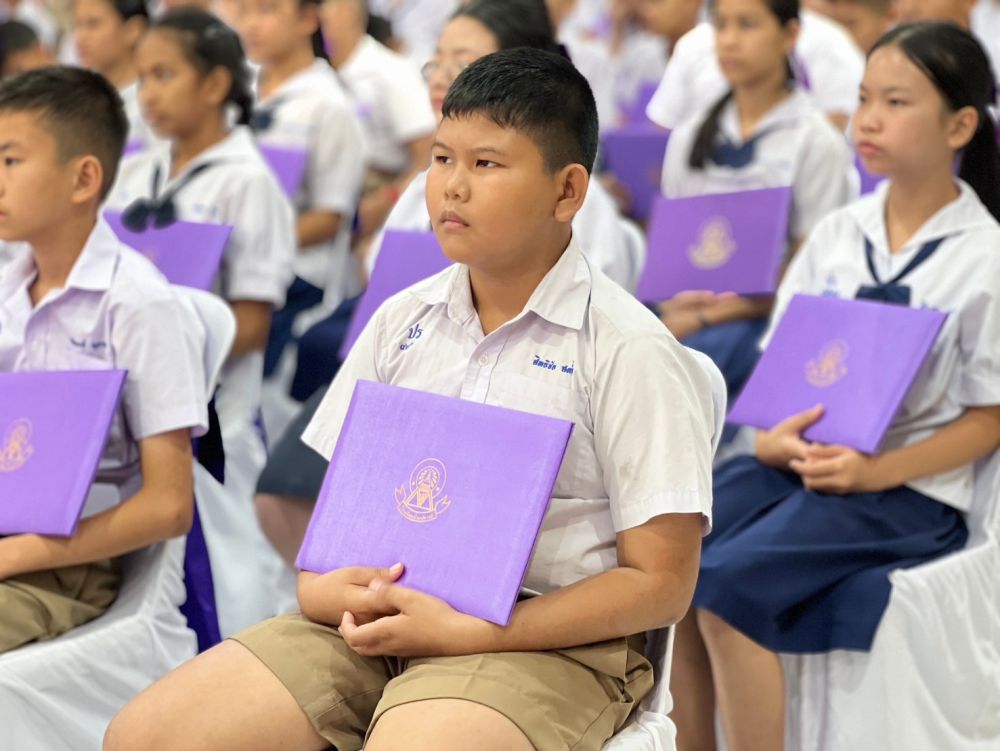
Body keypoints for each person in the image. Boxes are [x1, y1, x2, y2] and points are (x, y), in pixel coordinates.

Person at [104, 47, 715, 751]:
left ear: (567, 191)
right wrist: (335, 592)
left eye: (486, 163)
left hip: (545, 639)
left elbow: (662, 583)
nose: (452, 186)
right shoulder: (401, 320)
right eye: (441, 158)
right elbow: (326, 552)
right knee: (143, 738)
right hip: (381, 620)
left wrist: (478, 631)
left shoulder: (628, 347)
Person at [670, 21, 1000, 751]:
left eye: (896, 102)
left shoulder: (986, 257)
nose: (867, 119)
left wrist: (876, 471)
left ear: (960, 125)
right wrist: (772, 438)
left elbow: (989, 418)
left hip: (906, 492)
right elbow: (785, 368)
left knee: (725, 587)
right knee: (676, 553)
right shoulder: (840, 233)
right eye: (864, 98)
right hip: (805, 466)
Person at [255, 0, 647, 561]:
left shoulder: (617, 337)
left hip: (513, 571)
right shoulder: (404, 305)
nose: (442, 77)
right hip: (416, 382)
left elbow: (654, 576)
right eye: (436, 61)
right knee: (292, 492)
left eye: (461, 61)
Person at [0, 66, 207, 653]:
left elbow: (169, 506)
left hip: (68, 565)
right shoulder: (9, 286)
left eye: (10, 160)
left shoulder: (139, 304)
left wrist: (16, 554)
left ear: (83, 178)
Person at [105, 7, 296, 635]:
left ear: (215, 84)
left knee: (230, 576)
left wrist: (169, 342)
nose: (147, 93)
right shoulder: (138, 171)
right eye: (142, 77)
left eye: (164, 75)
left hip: (218, 413)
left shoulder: (248, 182)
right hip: (134, 403)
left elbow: (253, 323)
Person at [656, 0, 855, 401]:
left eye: (747, 25)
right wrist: (672, 309)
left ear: (790, 34)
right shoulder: (690, 134)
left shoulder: (815, 140)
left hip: (761, 320)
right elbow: (671, 252)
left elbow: (812, 271)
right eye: (721, 26)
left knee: (684, 370)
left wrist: (708, 315)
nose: (729, 41)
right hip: (686, 312)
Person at [236, 0, 365, 377]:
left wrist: (251, 248)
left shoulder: (329, 104)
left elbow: (330, 216)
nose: (252, 24)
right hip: (237, 255)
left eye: (267, 10)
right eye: (244, 11)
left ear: (308, 18)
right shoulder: (236, 88)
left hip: (296, 268)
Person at [320, 0, 436, 238]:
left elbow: (426, 155)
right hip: (332, 188)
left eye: (322, 7)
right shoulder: (320, 71)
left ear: (347, 10)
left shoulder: (390, 70)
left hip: (378, 193)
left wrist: (389, 200)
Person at [72, 0, 154, 146]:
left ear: (133, 29)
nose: (80, 36)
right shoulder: (79, 100)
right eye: (77, 25)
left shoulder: (152, 102)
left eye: (93, 24)